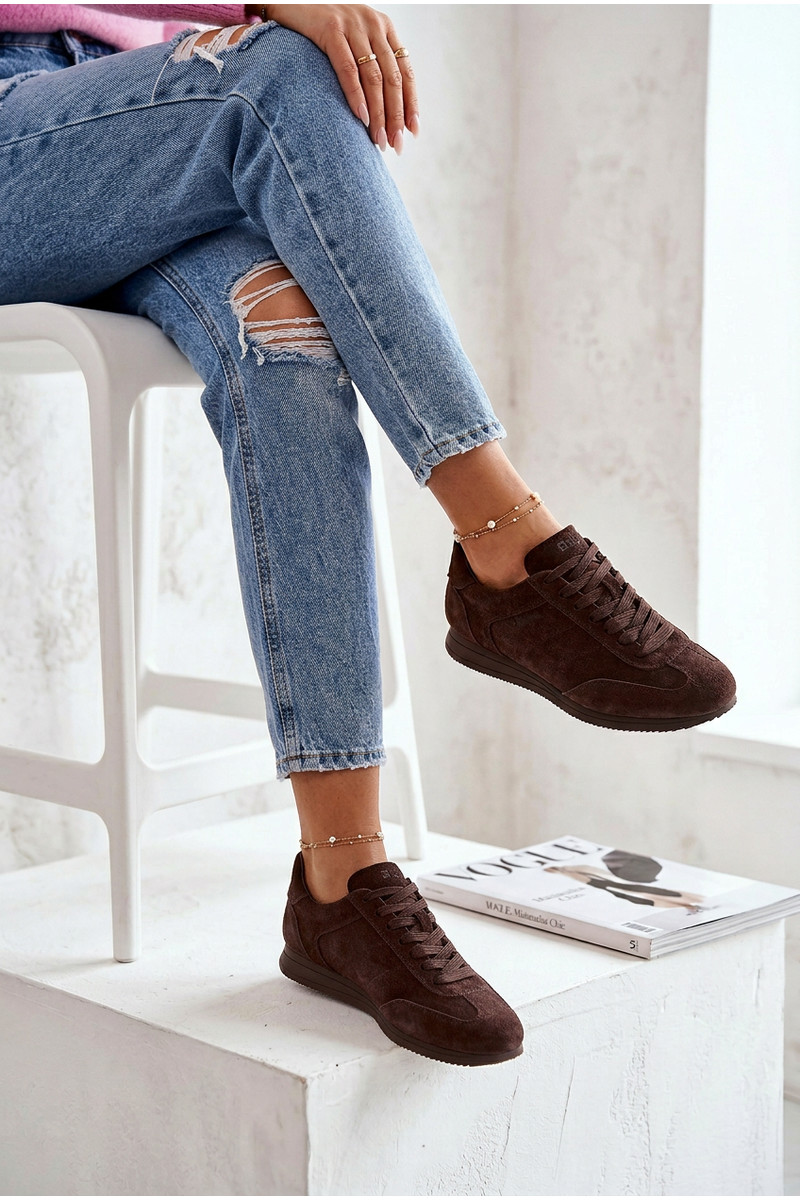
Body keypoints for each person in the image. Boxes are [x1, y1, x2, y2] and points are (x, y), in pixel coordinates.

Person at [0, 3, 736, 1067]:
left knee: (287, 337)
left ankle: (340, 884)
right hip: (26, 132)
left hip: (129, 123)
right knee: (276, 71)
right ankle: (508, 544)